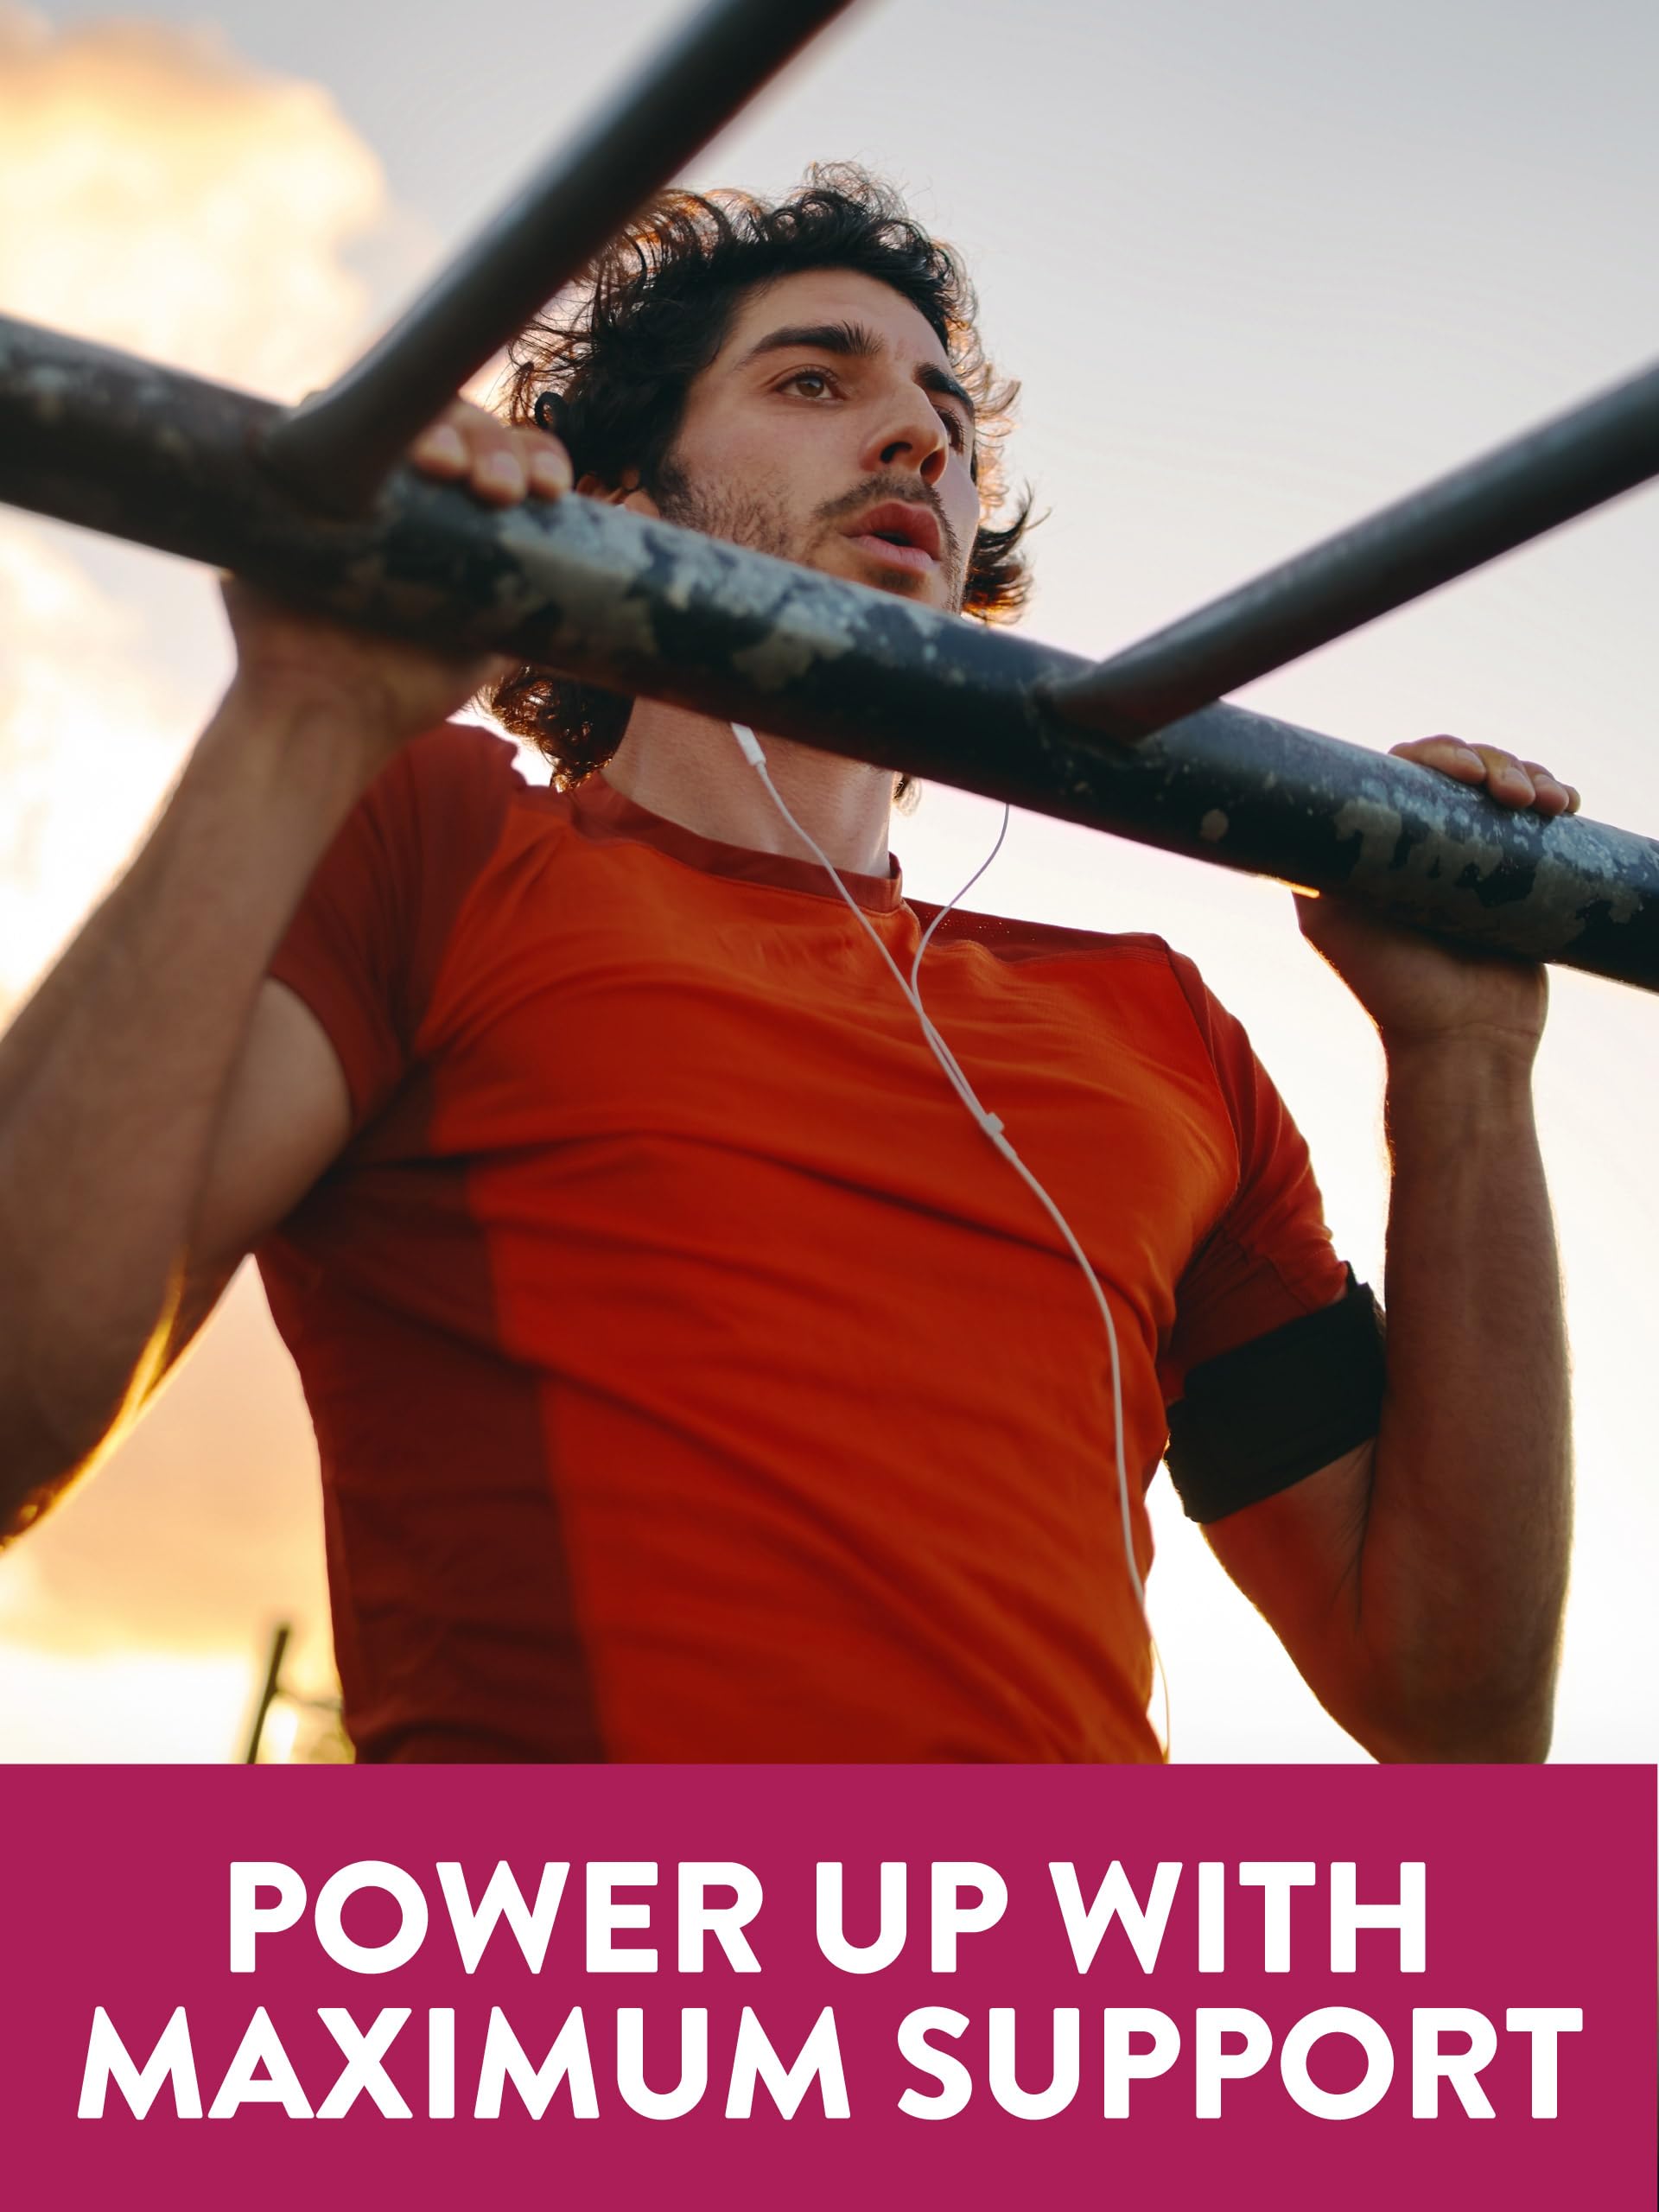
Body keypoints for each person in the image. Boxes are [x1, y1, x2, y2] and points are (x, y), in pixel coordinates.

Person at [0, 171, 1577, 1764]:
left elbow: (1458, 1716)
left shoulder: (1157, 1023)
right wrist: (304, 711)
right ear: (617, 504)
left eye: (945, 417)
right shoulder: (442, 846)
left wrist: (1466, 1066)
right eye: (815, 381)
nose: (919, 442)